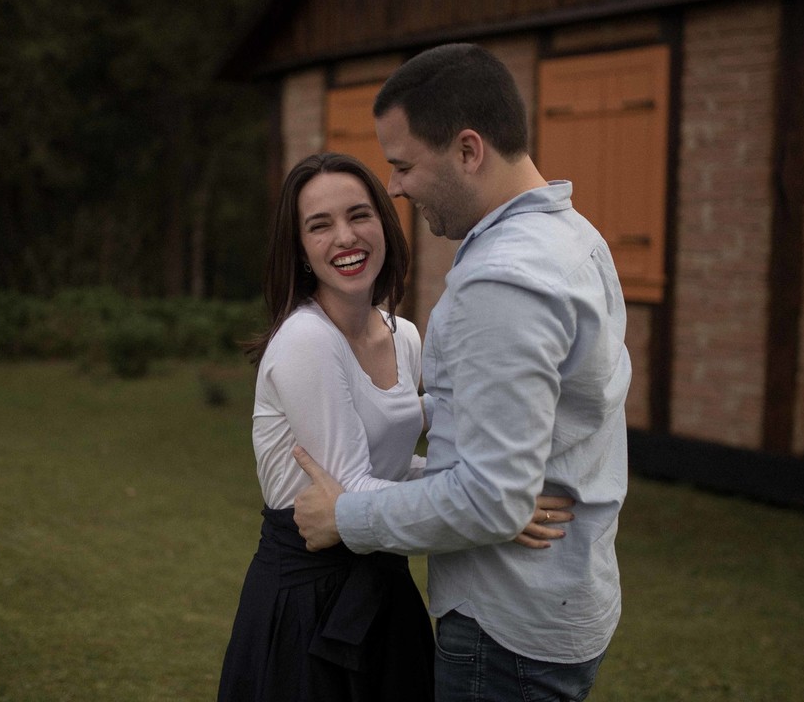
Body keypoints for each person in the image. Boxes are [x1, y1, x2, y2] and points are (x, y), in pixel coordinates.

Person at [292, 44, 631, 702]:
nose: (393, 188)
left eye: (403, 165)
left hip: (507, 628)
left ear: (468, 150)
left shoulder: (501, 281)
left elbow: (491, 499)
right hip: (564, 594)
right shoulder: (575, 238)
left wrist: (348, 518)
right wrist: (501, 488)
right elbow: (557, 427)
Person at [218, 152, 574, 702]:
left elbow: (392, 467)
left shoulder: (404, 335)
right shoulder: (306, 342)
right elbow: (352, 491)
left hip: (383, 576)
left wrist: (489, 486)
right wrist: (492, 509)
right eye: (319, 225)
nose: (345, 237)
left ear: (385, 222)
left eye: (359, 215)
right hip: (309, 597)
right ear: (301, 251)